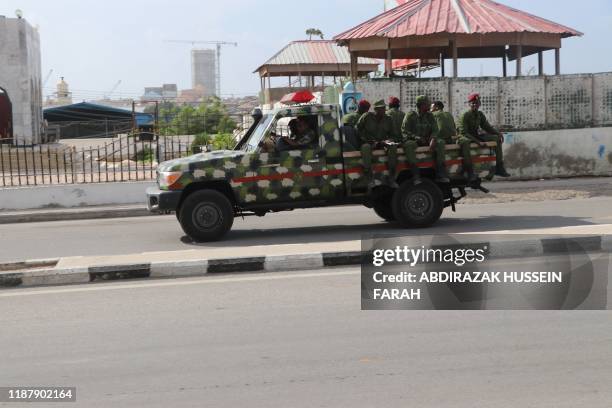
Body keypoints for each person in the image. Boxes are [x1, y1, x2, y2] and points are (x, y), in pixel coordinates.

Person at [457, 93, 510, 178]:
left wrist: (498, 133)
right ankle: (469, 170)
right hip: (465, 137)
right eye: (473, 103)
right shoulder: (465, 115)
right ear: (469, 104)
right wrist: (478, 142)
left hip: (475, 135)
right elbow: (463, 132)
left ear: (479, 104)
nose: (475, 105)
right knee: (466, 142)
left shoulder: (480, 114)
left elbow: (486, 126)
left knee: (496, 138)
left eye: (477, 103)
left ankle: (499, 168)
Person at [401, 95, 449, 184]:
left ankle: (440, 174)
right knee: (408, 145)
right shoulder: (411, 115)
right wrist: (417, 138)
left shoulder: (430, 116)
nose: (429, 105)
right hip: (415, 141)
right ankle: (416, 175)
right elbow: (404, 131)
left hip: (427, 140)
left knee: (440, 142)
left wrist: (433, 138)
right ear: (421, 105)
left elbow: (435, 129)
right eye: (427, 103)